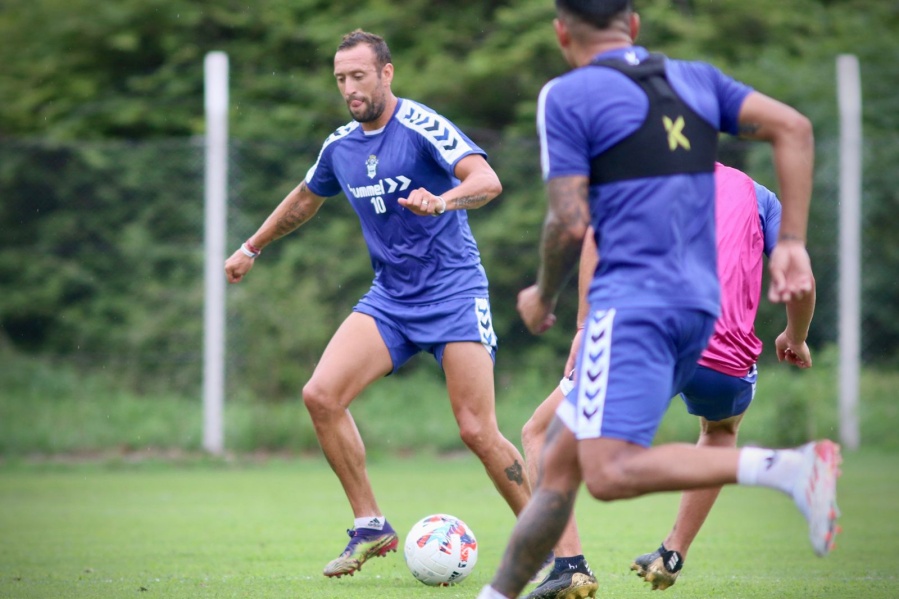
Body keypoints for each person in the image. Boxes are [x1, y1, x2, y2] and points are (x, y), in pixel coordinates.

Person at [476, 2, 840, 598]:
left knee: (609, 472)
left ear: (561, 31)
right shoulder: (694, 78)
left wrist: (543, 295)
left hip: (633, 304)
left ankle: (789, 469)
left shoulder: (568, 95)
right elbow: (794, 127)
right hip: (699, 307)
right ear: (634, 25)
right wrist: (793, 244)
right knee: (562, 462)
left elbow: (570, 223)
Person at [224, 29, 532, 580]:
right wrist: (252, 246)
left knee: (477, 430)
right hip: (391, 298)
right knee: (320, 396)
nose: (349, 88)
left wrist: (443, 200)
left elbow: (486, 180)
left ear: (386, 73)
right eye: (341, 78)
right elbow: (304, 199)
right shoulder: (340, 144)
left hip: (454, 291)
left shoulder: (419, 126)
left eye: (359, 75)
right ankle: (371, 525)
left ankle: (547, 547)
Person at [519, 162, 817, 599]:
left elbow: (596, 240)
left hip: (651, 342)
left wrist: (585, 327)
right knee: (720, 431)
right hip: (727, 359)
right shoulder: (758, 196)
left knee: (540, 432)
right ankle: (672, 553)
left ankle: (570, 568)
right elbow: (802, 280)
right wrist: (796, 336)